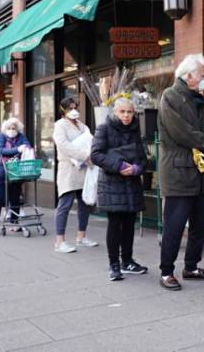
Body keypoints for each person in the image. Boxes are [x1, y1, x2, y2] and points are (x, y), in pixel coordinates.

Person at [158, 54, 204, 291]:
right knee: (175, 224)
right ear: (189, 76)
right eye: (202, 75)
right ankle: (166, 272)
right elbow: (181, 132)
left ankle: (191, 266)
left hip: (199, 172)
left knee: (201, 223)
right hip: (179, 172)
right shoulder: (170, 97)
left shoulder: (195, 99)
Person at [91, 96, 148, 281]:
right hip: (111, 184)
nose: (126, 115)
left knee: (130, 225)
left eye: (129, 112)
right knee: (115, 225)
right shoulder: (104, 128)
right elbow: (96, 155)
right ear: (115, 112)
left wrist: (137, 168)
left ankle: (128, 261)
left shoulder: (135, 130)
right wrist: (120, 166)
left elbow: (142, 156)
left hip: (131, 184)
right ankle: (114, 265)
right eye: (122, 111)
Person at [52, 97, 97, 253]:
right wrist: (85, 155)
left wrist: (90, 155)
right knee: (65, 204)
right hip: (69, 169)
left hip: (84, 169)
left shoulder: (82, 125)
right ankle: (59, 241)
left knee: (84, 204)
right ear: (63, 110)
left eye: (75, 107)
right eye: (70, 108)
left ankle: (81, 236)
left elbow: (91, 141)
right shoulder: (59, 125)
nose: (74, 110)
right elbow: (64, 146)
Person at [0, 118, 30, 236]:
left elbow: (27, 146)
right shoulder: (0, 136)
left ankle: (14, 221)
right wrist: (17, 149)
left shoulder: (21, 137)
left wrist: (24, 148)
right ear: (5, 129)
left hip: (15, 171)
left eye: (14, 128)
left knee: (15, 197)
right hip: (0, 171)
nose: (12, 130)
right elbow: (0, 150)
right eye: (9, 128)